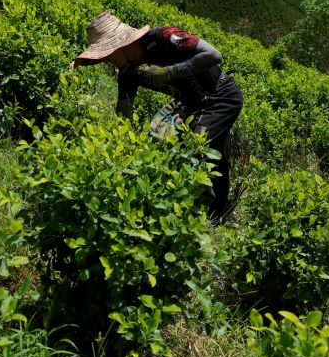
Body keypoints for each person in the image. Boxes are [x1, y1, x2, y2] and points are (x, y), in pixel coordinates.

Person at [71, 11, 243, 221]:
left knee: (196, 148)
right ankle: (216, 212)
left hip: (220, 95)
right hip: (189, 103)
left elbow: (214, 55)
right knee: (195, 150)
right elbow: (122, 118)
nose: (108, 61)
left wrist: (168, 73)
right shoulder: (128, 72)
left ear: (120, 45)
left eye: (108, 55)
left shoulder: (163, 38)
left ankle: (203, 218)